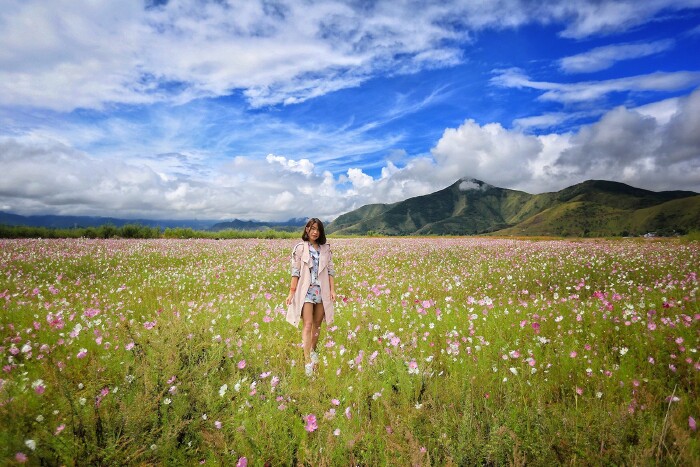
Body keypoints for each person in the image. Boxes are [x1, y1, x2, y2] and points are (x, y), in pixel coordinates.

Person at [285, 218, 336, 376]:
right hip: (306, 291)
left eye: (318, 229)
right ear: (307, 229)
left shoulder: (325, 249)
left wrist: (333, 290)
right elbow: (295, 271)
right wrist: (291, 292)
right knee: (307, 324)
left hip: (322, 291)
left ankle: (313, 350)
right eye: (312, 228)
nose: (315, 231)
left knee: (317, 324)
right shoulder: (300, 248)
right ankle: (307, 360)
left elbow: (330, 270)